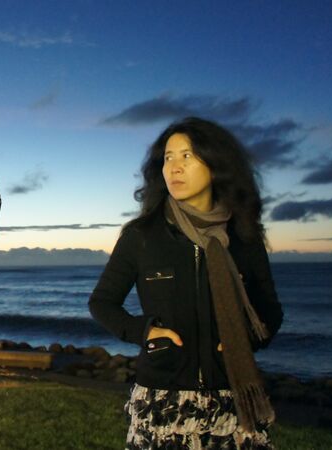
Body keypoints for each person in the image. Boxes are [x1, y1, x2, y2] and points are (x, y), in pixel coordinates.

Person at [89, 117, 283, 449]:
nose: (174, 167)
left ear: (216, 164)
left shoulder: (243, 235)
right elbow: (102, 302)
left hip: (233, 401)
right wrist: (146, 333)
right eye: (168, 157)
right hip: (162, 400)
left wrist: (246, 339)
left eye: (187, 156)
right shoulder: (142, 236)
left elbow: (269, 308)